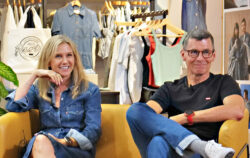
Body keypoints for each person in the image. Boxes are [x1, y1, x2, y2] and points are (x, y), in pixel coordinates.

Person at [126, 29, 245, 158]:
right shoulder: (170, 88)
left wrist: (186, 118)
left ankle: (198, 146)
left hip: (196, 154)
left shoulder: (223, 82)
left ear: (213, 56)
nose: (200, 58)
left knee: (157, 142)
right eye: (194, 52)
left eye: (206, 52)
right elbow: (144, 114)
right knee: (134, 111)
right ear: (183, 55)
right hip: (170, 147)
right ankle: (201, 146)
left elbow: (236, 110)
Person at [5, 35, 102, 158]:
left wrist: (62, 141)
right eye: (58, 56)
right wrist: (34, 75)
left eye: (69, 55)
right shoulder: (40, 88)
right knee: (40, 142)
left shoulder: (90, 90)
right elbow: (14, 105)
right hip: (44, 145)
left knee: (40, 142)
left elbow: (93, 130)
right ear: (48, 62)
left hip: (73, 148)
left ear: (75, 59)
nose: (65, 61)